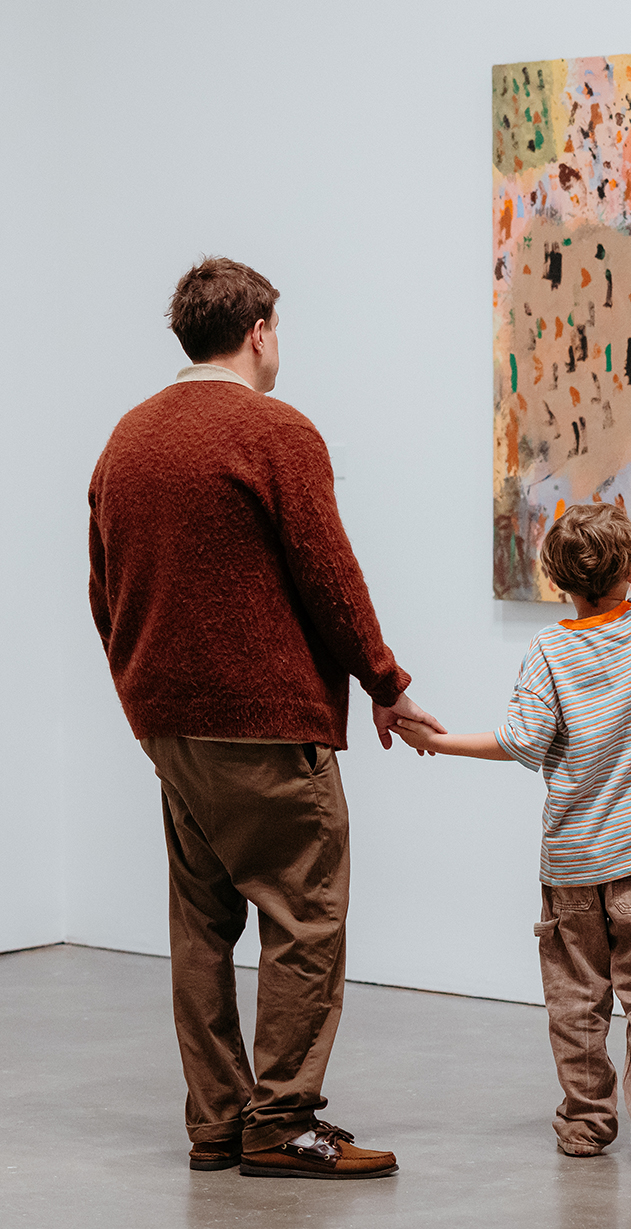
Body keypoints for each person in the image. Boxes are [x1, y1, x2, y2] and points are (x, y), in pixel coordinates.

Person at [87, 256, 444, 1180]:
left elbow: (104, 589)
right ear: (258, 331)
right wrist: (386, 681)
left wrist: (142, 699)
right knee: (306, 916)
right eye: (276, 330)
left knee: (201, 926)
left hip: (171, 728)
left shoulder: (124, 441)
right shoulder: (278, 432)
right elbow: (330, 575)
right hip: (265, 724)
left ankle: (216, 1122)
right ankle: (281, 1122)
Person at [395, 473, 631, 1168]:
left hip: (570, 865)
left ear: (557, 578)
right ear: (630, 570)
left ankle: (584, 1123)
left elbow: (519, 743)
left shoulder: (548, 651)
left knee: (576, 999)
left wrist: (437, 740)